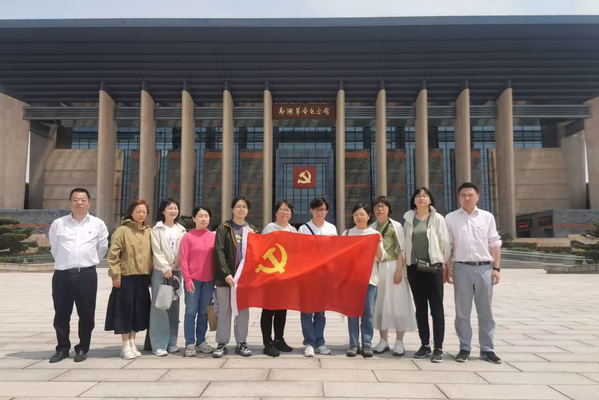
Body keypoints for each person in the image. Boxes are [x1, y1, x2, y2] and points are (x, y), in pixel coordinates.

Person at [48, 188, 108, 363]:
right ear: (70, 203)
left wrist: (88, 261)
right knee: (61, 313)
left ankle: (83, 348)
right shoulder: (59, 224)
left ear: (89, 203)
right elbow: (54, 248)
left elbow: (102, 247)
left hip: (86, 275)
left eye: (83, 200)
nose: (79, 203)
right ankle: (62, 348)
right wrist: (66, 262)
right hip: (62, 275)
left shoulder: (97, 224)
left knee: (87, 313)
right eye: (75, 200)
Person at [445, 182, 502, 364]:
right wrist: (448, 268)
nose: (467, 198)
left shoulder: (487, 217)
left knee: (486, 311)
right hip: (461, 268)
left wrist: (496, 268)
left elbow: (495, 243)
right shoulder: (451, 218)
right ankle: (464, 347)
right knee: (462, 312)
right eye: (463, 195)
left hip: (484, 268)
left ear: (477, 197)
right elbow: (448, 245)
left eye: (470, 195)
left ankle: (487, 349)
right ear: (458, 198)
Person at [403, 188, 451, 363]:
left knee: (436, 308)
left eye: (424, 196)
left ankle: (438, 347)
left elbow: (445, 243)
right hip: (414, 268)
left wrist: (441, 263)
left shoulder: (437, 219)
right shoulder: (409, 219)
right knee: (420, 308)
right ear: (414, 200)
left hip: (433, 268)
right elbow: (405, 244)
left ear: (430, 200)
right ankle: (425, 344)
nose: (421, 198)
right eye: (418, 196)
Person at [105, 199, 153, 360]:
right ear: (131, 212)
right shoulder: (122, 231)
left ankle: (132, 341)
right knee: (124, 311)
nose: (141, 214)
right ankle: (125, 344)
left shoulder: (149, 231)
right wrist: (115, 274)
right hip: (126, 277)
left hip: (142, 277)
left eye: (144, 212)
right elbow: (113, 255)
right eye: (138, 211)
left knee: (138, 311)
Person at [370, 195, 417, 358]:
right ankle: (383, 340)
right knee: (380, 304)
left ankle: (399, 341)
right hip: (378, 268)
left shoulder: (396, 226)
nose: (379, 209)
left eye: (383, 206)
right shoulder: (372, 227)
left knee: (398, 304)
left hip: (393, 267)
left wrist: (398, 270)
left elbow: (401, 249)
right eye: (377, 206)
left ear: (388, 209)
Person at [212, 196, 258, 358]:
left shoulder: (252, 230)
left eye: (244, 207)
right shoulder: (224, 228)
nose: (241, 209)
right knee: (224, 311)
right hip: (226, 279)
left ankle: (241, 342)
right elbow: (219, 251)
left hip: (244, 280)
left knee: (243, 312)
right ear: (232, 209)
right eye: (238, 206)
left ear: (247, 210)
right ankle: (222, 343)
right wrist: (226, 273)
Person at [343, 202, 385, 358]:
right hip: (351, 280)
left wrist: (378, 243)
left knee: (368, 313)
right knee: (352, 313)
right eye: (356, 215)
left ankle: (367, 344)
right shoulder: (347, 233)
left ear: (369, 216)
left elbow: (381, 257)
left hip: (369, 279)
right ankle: (354, 345)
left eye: (362, 214)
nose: (359, 217)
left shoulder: (374, 234)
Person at [298, 196, 338, 357]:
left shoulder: (331, 228)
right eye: (316, 209)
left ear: (327, 211)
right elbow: (299, 252)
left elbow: (335, 252)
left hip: (324, 276)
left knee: (320, 312)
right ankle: (309, 342)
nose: (319, 212)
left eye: (322, 209)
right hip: (307, 275)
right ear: (311, 210)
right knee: (307, 311)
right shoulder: (303, 229)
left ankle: (320, 342)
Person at [149, 198, 187, 357]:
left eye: (175, 208)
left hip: (176, 273)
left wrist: (180, 258)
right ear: (163, 211)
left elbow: (184, 249)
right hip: (161, 272)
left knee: (173, 308)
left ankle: (172, 342)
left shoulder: (182, 230)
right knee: (159, 308)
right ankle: (158, 344)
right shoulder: (157, 229)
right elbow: (156, 251)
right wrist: (165, 268)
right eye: (170, 208)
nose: (173, 211)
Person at [260, 199, 298, 357]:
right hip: (270, 275)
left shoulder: (293, 230)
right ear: (276, 212)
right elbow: (261, 250)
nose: (285, 212)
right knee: (269, 309)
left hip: (285, 276)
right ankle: (267, 342)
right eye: (282, 209)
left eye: (287, 210)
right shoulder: (269, 228)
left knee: (282, 309)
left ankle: (279, 339)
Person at [180, 205, 216, 357]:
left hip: (209, 281)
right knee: (190, 312)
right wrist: (187, 279)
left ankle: (201, 341)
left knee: (203, 313)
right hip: (193, 281)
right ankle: (189, 343)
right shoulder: (188, 237)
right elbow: (183, 260)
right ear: (194, 219)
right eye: (200, 216)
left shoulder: (213, 237)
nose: (203, 219)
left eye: (206, 216)